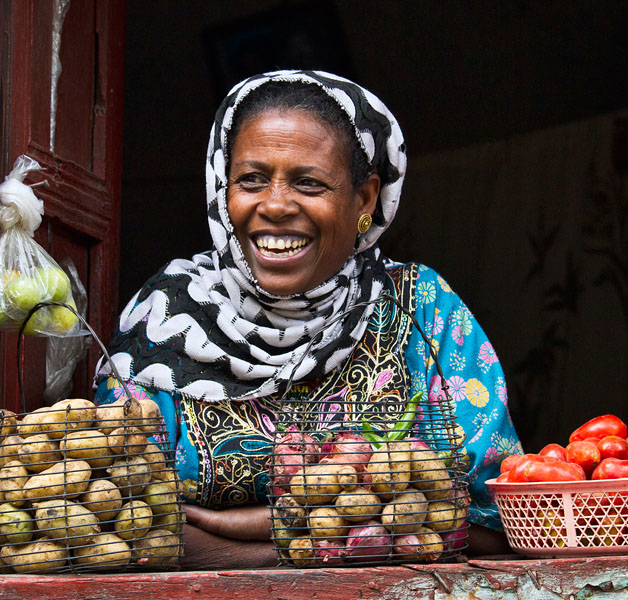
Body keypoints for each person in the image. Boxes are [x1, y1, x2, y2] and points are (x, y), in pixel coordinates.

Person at [95, 70, 522, 569]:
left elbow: (501, 524)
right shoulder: (164, 319)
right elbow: (119, 525)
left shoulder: (423, 308)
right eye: (251, 179)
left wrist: (244, 532)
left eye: (309, 182)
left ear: (363, 199)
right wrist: (344, 534)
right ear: (221, 188)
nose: (275, 205)